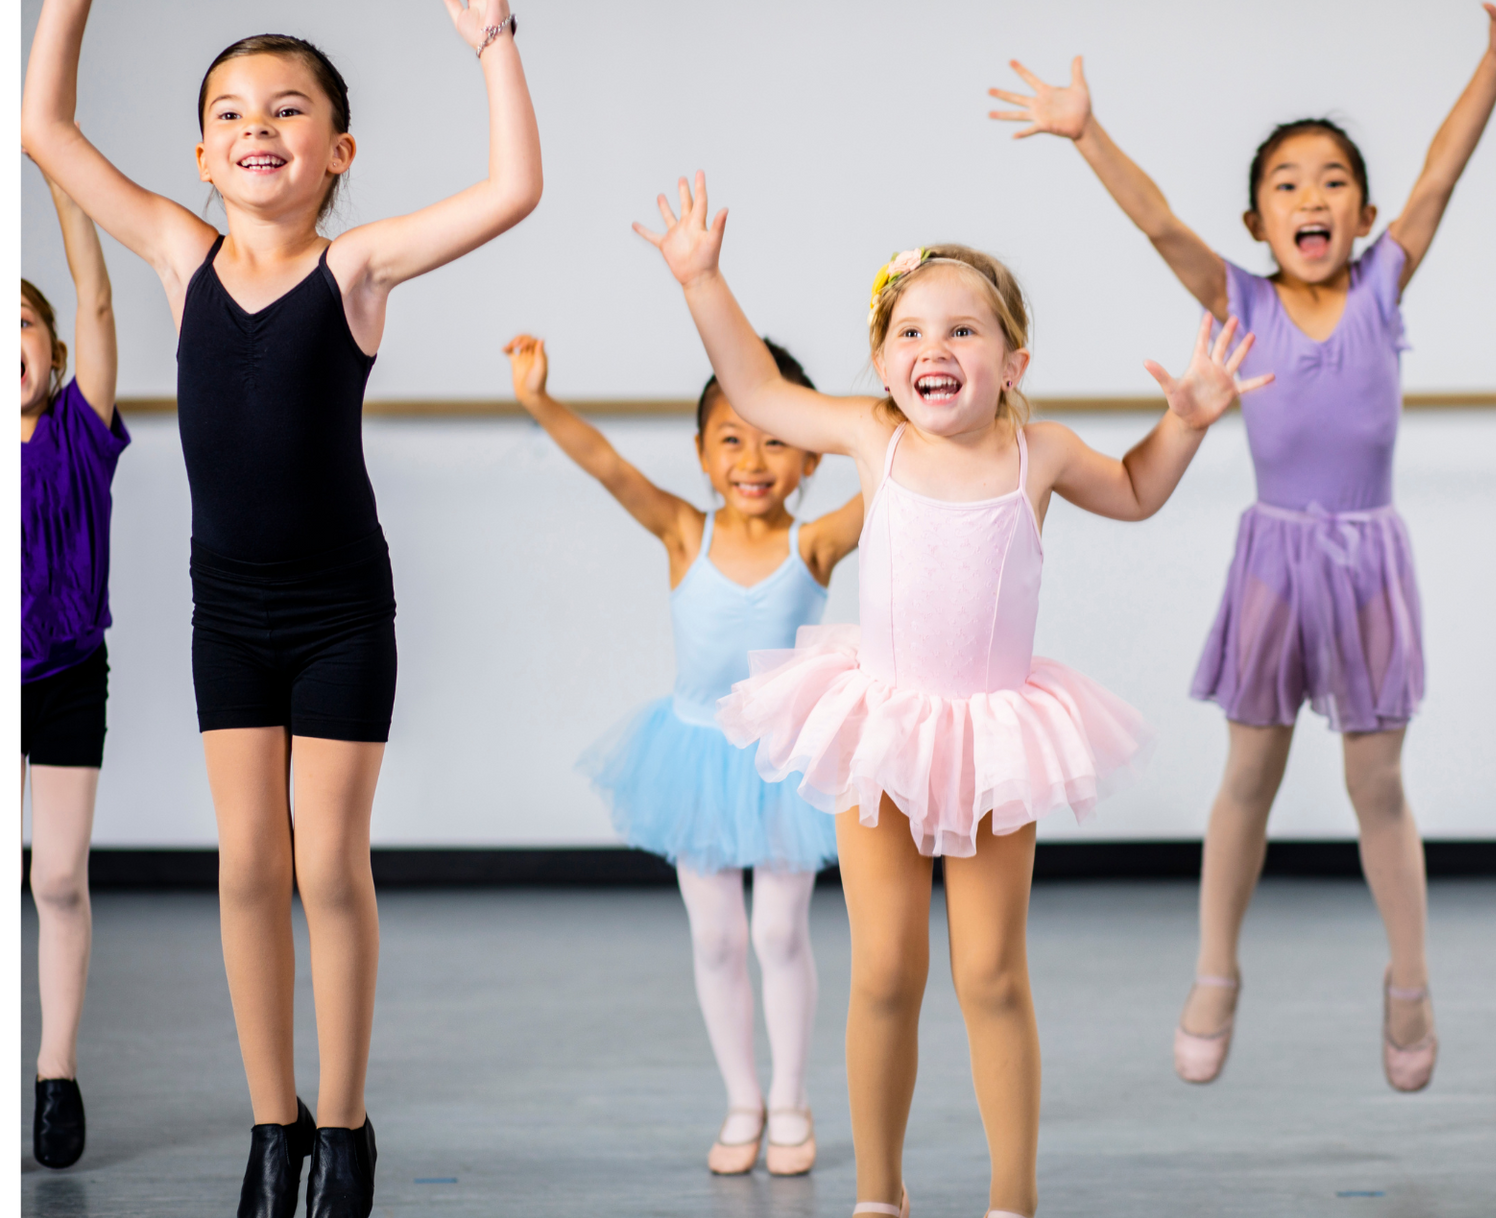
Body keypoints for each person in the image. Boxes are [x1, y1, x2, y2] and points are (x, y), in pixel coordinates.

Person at [636, 172, 1269, 1218]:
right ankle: (878, 1194)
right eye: (912, 332)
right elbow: (755, 389)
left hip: (992, 740)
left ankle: (1011, 1198)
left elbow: (1136, 490)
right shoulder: (873, 437)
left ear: (1014, 362)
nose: (935, 347)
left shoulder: (1040, 452)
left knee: (992, 975)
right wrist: (703, 280)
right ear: (886, 362)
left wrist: (1188, 422)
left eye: (963, 330)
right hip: (881, 727)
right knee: (885, 971)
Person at [22, 3, 541, 1213]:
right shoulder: (178, 253)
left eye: (288, 109)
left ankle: (344, 1126)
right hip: (229, 617)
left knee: (328, 865)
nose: (258, 127)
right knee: (249, 866)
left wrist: (495, 41)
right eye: (232, 114)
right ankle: (274, 1125)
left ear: (338, 151)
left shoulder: (355, 268)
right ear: (204, 155)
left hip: (342, 613)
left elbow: (514, 188)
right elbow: (43, 125)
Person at [987, 0, 1496, 1090]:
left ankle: (1409, 983)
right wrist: (1085, 132)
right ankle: (1216, 971)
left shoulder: (1382, 286)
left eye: (1333, 181)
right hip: (1274, 564)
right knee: (1247, 777)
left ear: (1365, 215)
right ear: (1257, 221)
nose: (1312, 197)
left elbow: (1441, 175)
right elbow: (1160, 224)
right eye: (1288, 184)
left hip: (1370, 563)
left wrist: (1495, 61)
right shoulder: (1240, 299)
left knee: (1377, 787)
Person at [504, 332, 862, 1176]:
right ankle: (742, 1099)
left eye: (777, 440)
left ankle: (790, 1099)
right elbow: (608, 466)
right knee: (716, 941)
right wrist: (538, 401)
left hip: (783, 764)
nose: (752, 460)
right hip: (693, 761)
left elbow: (898, 481)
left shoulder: (813, 543)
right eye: (731, 439)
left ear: (813, 457)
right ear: (702, 452)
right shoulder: (682, 533)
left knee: (779, 933)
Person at [21, 170, 128, 1172]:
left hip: (64, 673)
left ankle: (56, 1069)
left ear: (50, 351)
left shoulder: (79, 433)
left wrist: (63, 180)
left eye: (20, 323)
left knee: (57, 875)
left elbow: (95, 297)